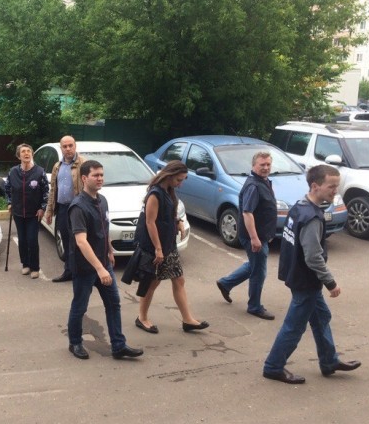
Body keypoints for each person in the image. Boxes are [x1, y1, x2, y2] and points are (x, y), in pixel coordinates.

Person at [262, 165, 361, 384]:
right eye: (331, 186)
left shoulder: (299, 206)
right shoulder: (312, 217)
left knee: (321, 317)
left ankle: (329, 361)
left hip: (299, 276)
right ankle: (273, 366)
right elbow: (313, 256)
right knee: (294, 326)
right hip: (306, 281)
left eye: (337, 186)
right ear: (315, 186)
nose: (335, 190)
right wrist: (330, 282)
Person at [66, 160, 144, 360]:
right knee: (80, 307)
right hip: (85, 268)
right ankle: (75, 342)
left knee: (113, 303)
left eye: (101, 175)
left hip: (104, 262)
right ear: (85, 178)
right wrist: (100, 269)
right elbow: (81, 242)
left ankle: (118, 346)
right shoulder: (78, 207)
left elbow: (104, 228)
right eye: (96, 175)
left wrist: (109, 250)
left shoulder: (103, 201)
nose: (100, 178)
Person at [133, 160, 208, 334]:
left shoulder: (168, 190)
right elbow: (150, 222)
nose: (180, 184)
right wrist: (158, 249)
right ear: (169, 175)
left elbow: (167, 213)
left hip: (169, 245)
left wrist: (178, 221)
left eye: (182, 180)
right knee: (152, 283)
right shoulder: (155, 194)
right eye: (178, 180)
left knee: (179, 280)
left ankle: (187, 320)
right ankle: (142, 318)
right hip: (157, 248)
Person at [216, 151, 277, 320]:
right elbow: (247, 213)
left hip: (261, 235)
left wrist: (267, 233)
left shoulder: (263, 181)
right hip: (254, 237)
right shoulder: (254, 186)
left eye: (268, 164)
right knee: (259, 272)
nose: (266, 168)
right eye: (262, 165)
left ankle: (226, 283)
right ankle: (254, 307)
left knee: (254, 265)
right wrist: (254, 238)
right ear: (253, 166)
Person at [5, 143, 50, 279]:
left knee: (32, 240)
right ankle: (25, 264)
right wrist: (9, 203)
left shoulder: (39, 172)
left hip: (34, 213)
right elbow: (7, 189)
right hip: (18, 212)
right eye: (23, 151)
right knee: (22, 240)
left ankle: (35, 267)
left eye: (28, 151)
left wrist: (42, 207)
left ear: (32, 154)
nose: (26, 153)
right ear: (19, 156)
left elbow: (46, 192)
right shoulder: (13, 172)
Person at [44, 135, 85, 282]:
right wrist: (49, 210)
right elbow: (53, 190)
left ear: (75, 146)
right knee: (66, 240)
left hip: (77, 209)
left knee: (78, 242)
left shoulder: (83, 164)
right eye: (65, 146)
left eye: (70, 145)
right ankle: (68, 271)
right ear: (61, 148)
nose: (68, 149)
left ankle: (81, 273)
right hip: (62, 208)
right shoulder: (57, 166)